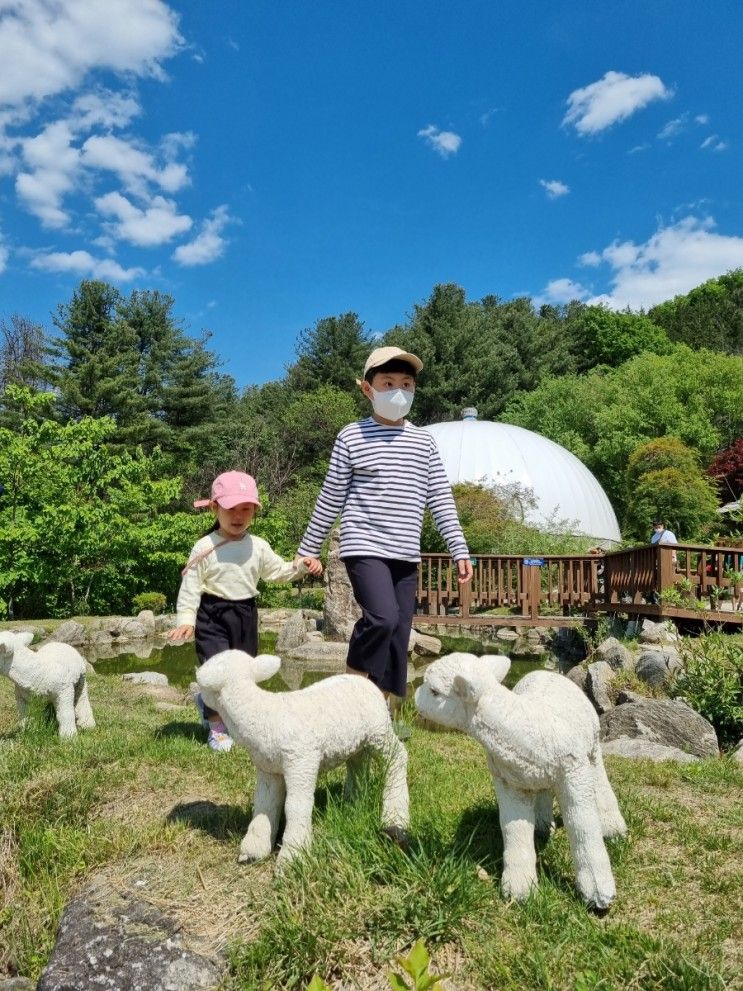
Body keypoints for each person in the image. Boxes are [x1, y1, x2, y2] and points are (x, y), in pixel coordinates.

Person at [295, 345, 473, 710]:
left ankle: (383, 712)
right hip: (365, 546)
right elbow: (331, 496)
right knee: (381, 619)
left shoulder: (424, 442)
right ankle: (349, 696)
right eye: (388, 382)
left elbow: (439, 498)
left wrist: (459, 549)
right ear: (367, 389)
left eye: (406, 384)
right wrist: (308, 548)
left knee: (398, 633)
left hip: (405, 553)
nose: (398, 391)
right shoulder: (351, 436)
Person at [169, 470, 322, 751]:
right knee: (217, 671)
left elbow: (278, 572)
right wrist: (187, 620)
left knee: (243, 673)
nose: (238, 516)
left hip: (245, 615)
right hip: (212, 615)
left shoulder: (258, 546)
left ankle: (224, 714)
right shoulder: (205, 547)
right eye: (231, 509)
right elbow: (191, 586)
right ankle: (216, 726)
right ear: (215, 508)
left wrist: (302, 566)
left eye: (246, 509)